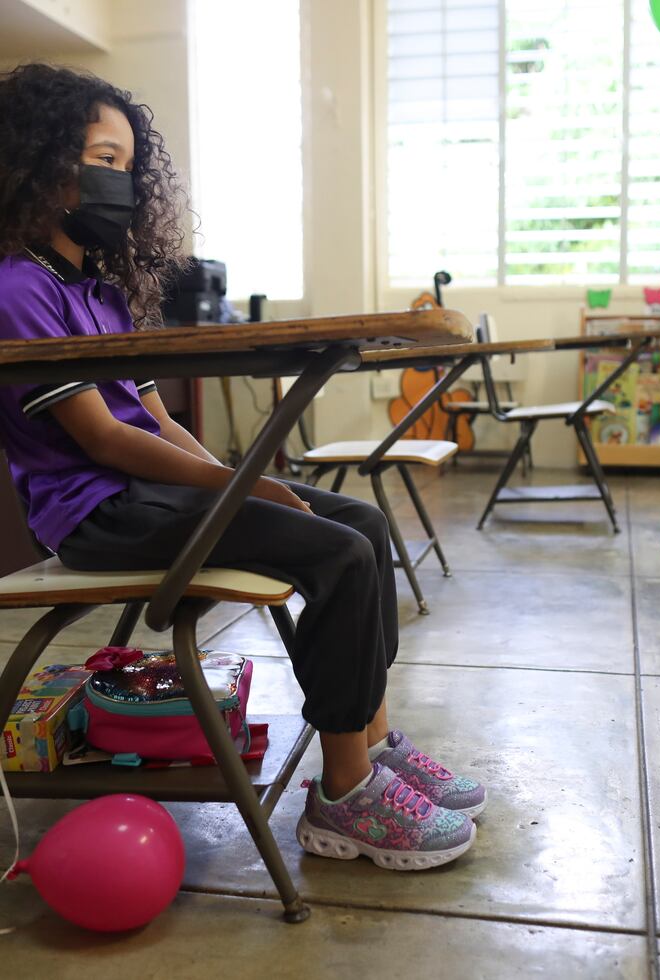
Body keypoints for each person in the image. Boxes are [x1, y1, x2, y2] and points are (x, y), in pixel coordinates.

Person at [0, 63, 485, 870]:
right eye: (102, 160)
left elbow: (154, 418)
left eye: (127, 165)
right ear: (44, 164)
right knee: (339, 552)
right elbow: (106, 441)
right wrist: (243, 484)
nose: (118, 181)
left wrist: (241, 473)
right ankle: (344, 796)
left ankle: (369, 736)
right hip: (99, 513)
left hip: (148, 492)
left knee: (361, 520)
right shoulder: (18, 288)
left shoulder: (101, 292)